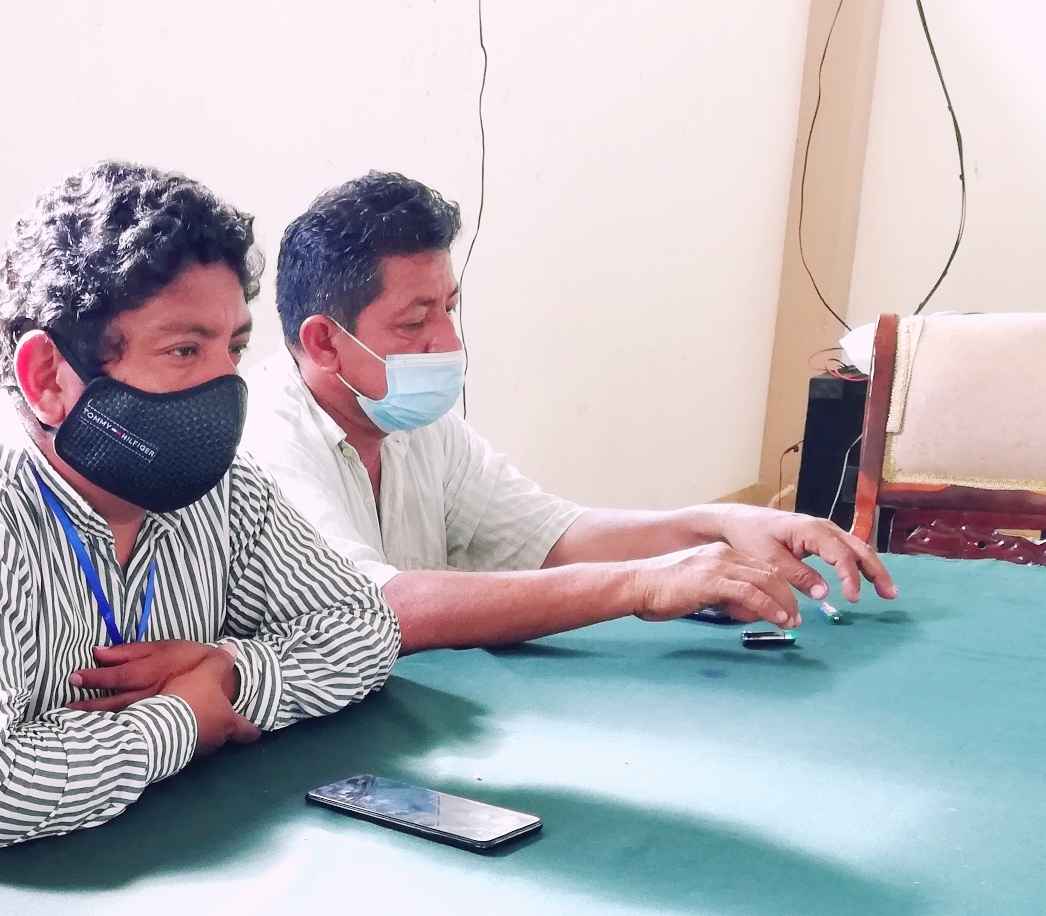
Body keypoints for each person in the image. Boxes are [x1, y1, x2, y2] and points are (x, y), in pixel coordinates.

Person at [0, 162, 400, 874]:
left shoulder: (218, 490)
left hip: (144, 863)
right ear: (48, 378)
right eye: (185, 350)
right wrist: (181, 721)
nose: (226, 386)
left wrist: (230, 673)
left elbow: (365, 628)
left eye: (235, 349)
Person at [241, 171, 894, 650]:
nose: (448, 343)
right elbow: (379, 607)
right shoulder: (265, 442)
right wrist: (642, 584)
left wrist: (719, 525)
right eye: (416, 321)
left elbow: (549, 536)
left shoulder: (412, 421)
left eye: (450, 309)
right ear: (323, 343)